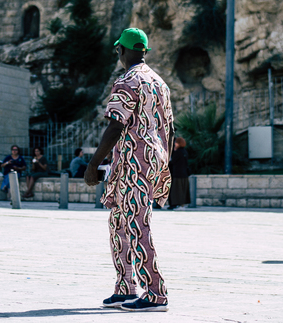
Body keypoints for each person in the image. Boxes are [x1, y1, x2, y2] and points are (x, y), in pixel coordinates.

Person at [84, 28, 174, 312]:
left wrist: (92, 164)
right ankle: (125, 288)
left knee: (135, 223)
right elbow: (169, 128)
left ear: (121, 51)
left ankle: (155, 293)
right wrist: (163, 165)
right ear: (143, 50)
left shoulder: (127, 81)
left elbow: (115, 126)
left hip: (135, 161)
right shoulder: (160, 83)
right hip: (149, 160)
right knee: (119, 223)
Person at [168, 137, 191, 210]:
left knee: (177, 190)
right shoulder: (185, 151)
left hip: (177, 174)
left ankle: (177, 204)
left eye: (176, 142)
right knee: (183, 190)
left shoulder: (177, 152)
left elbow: (173, 162)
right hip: (184, 174)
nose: (175, 144)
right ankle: (182, 204)